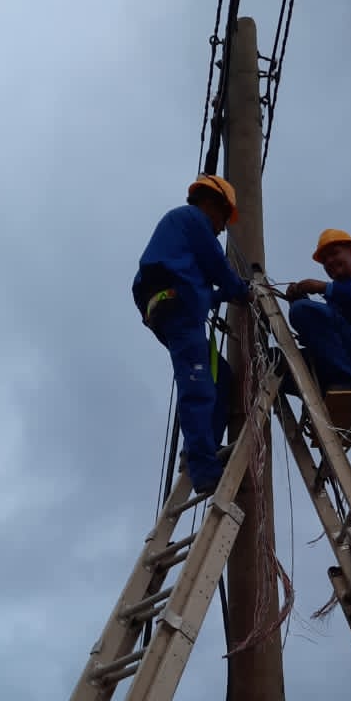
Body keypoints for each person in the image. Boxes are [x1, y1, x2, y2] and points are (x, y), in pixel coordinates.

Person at [132, 174, 251, 494]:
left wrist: (226, 294)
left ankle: (200, 450)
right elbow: (219, 267)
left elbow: (206, 290)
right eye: (224, 219)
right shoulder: (192, 219)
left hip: (177, 307)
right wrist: (242, 290)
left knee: (220, 378)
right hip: (178, 309)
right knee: (197, 384)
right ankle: (202, 466)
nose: (223, 228)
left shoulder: (180, 243)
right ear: (212, 204)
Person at [285, 229, 351, 394]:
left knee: (302, 310)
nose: (329, 262)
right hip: (331, 363)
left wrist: (324, 288)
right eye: (325, 260)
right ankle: (326, 390)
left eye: (334, 253)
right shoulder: (334, 298)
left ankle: (348, 380)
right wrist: (297, 299)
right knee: (275, 362)